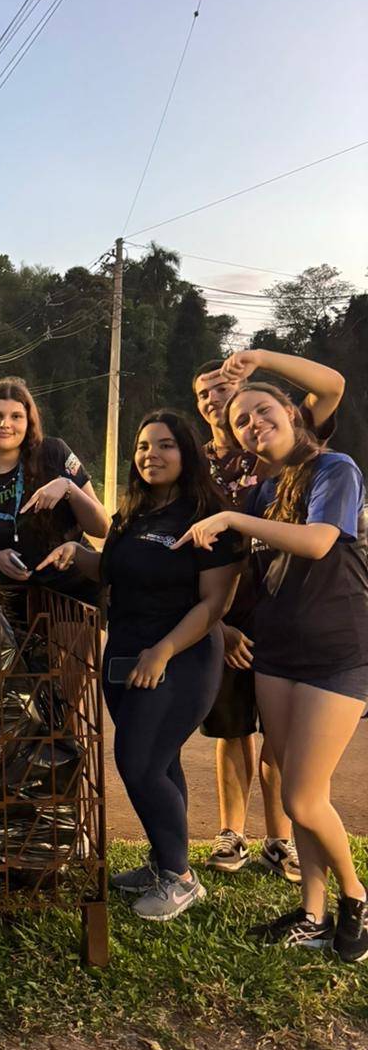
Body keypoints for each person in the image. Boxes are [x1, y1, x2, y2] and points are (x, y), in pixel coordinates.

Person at [174, 380, 368, 962]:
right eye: (241, 421)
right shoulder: (262, 494)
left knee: (306, 799)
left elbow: (315, 542)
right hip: (275, 652)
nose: (254, 424)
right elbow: (241, 576)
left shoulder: (334, 468)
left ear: (292, 413)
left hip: (337, 652)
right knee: (294, 788)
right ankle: (313, 912)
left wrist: (233, 516)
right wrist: (223, 625)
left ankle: (356, 897)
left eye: (264, 411)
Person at [41, 410, 240, 921]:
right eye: (144, 446)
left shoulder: (208, 515)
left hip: (179, 655)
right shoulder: (134, 513)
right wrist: (75, 553)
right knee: (160, 761)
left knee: (137, 760)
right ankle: (161, 861)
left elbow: (213, 604)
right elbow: (113, 573)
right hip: (125, 650)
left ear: (187, 452)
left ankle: (180, 876)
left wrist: (164, 651)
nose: (152, 454)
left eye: (166, 445)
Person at [192, 349, 345, 881]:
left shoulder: (287, 455)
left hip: (292, 616)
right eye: (206, 392)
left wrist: (258, 360)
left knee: (285, 753)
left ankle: (283, 841)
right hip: (232, 609)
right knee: (233, 729)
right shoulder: (197, 467)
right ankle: (233, 835)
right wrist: (218, 621)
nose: (218, 398)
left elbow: (329, 388)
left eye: (225, 389)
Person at [0, 376, 109, 630]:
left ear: (28, 422)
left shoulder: (54, 453)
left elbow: (102, 527)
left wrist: (69, 488)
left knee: (77, 669)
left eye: (16, 417)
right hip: (19, 604)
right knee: (29, 671)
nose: (5, 424)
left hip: (75, 593)